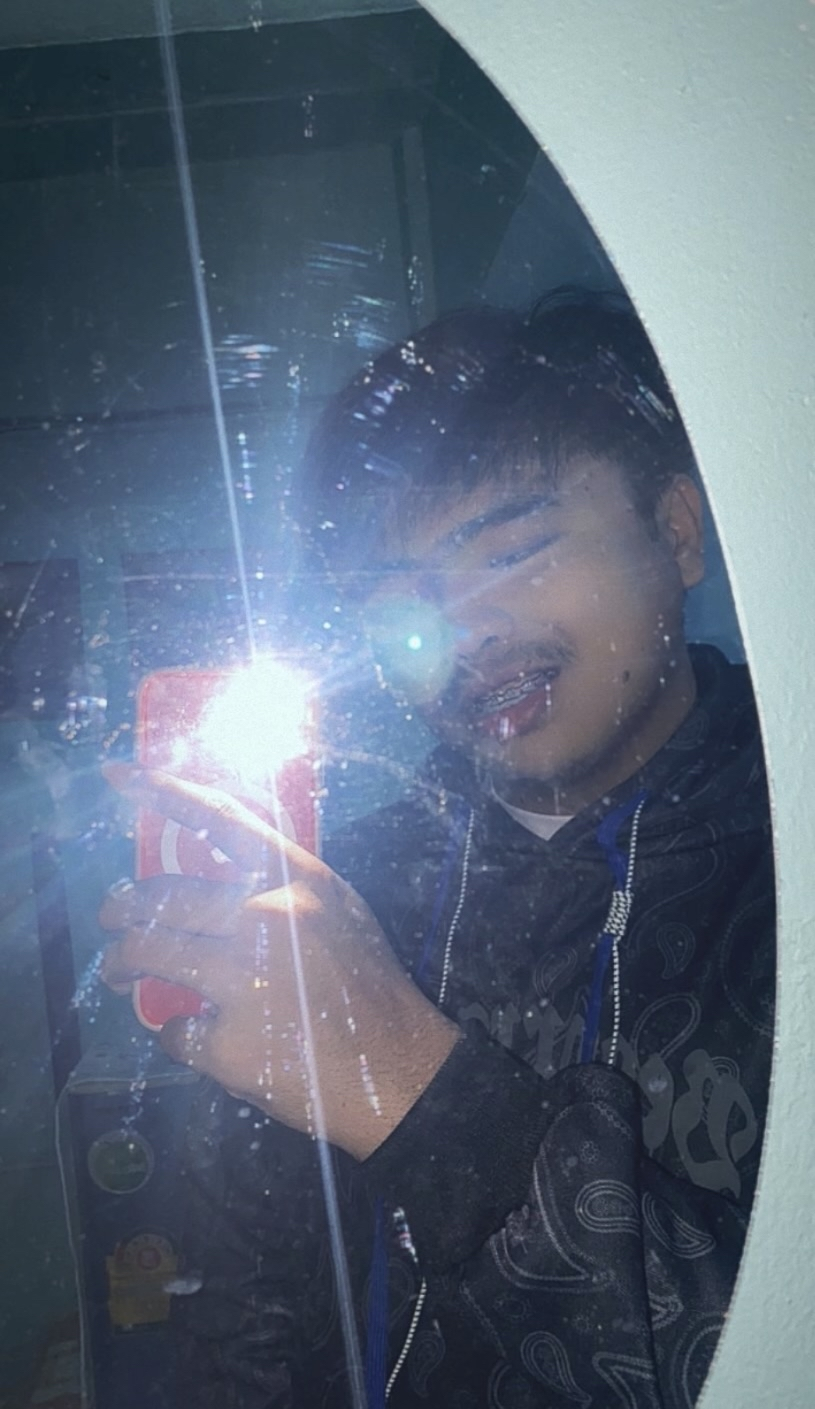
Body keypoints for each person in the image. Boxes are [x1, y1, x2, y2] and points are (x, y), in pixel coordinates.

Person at [100, 290, 775, 1408]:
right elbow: (249, 1308)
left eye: (511, 551)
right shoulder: (340, 884)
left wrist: (414, 1087)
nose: (462, 635)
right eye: (398, 606)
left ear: (676, 531)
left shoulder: (786, 862)